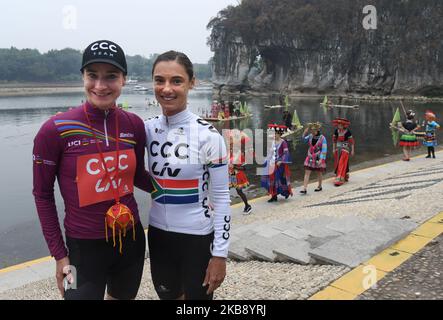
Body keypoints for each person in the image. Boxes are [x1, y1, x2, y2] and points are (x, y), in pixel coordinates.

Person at [32, 40, 153, 300]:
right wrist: (59, 254)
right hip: (81, 249)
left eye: (110, 76)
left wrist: (189, 193)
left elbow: (139, 176)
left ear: (123, 79)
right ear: (83, 77)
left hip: (130, 241)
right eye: (92, 76)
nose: (100, 86)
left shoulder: (134, 124)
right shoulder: (56, 129)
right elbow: (42, 195)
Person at [145, 50, 231, 300]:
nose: (167, 88)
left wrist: (220, 255)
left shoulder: (209, 136)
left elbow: (223, 198)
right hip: (159, 235)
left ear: (192, 83)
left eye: (176, 81)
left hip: (197, 237)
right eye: (160, 80)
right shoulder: (147, 128)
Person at [261, 124, 293, 202]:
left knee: (278, 179)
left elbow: (286, 153)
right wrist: (266, 160)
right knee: (270, 179)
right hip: (272, 162)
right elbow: (270, 152)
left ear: (279, 133)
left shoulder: (283, 142)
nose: (274, 135)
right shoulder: (272, 142)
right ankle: (274, 195)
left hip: (280, 164)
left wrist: (281, 161)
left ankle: (286, 192)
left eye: (275, 134)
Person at [228, 129, 252, 214]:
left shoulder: (239, 154)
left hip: (237, 175)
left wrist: (234, 166)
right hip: (230, 175)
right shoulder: (228, 153)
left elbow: (244, 168)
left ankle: (247, 206)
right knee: (225, 190)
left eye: (231, 144)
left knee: (239, 191)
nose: (229, 145)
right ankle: (223, 207)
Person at [300, 122, 327, 194]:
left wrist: (321, 159)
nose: (312, 132)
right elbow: (303, 140)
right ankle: (304, 188)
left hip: (318, 157)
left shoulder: (322, 138)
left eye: (313, 130)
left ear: (317, 130)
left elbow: (324, 149)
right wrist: (304, 133)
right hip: (310, 156)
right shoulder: (310, 136)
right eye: (311, 130)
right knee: (307, 172)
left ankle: (320, 186)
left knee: (319, 173)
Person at [332, 118, 355, 186]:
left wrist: (352, 150)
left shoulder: (348, 132)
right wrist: (333, 149)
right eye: (338, 125)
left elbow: (352, 142)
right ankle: (343, 175)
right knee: (338, 162)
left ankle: (340, 177)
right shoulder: (336, 131)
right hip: (338, 149)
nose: (339, 126)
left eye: (340, 125)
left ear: (343, 125)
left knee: (342, 162)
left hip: (345, 149)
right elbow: (334, 141)